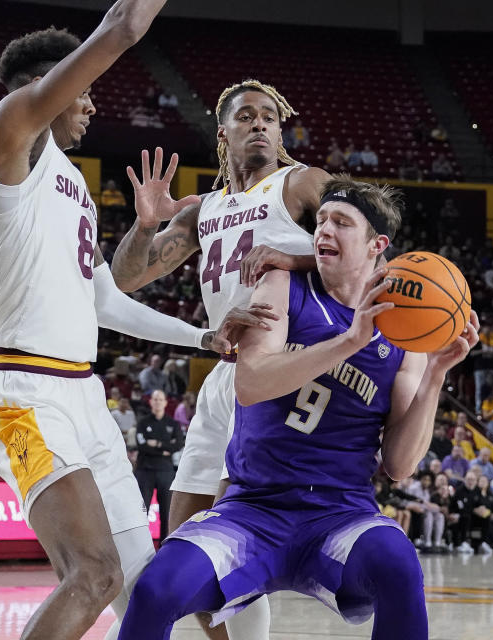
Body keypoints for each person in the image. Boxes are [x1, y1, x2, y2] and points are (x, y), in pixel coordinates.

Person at [0, 7, 267, 639]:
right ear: (51, 87)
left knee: (144, 583)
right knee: (93, 574)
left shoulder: (73, 180)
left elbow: (105, 301)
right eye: (85, 94)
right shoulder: (9, 141)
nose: (93, 106)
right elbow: (123, 28)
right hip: (22, 394)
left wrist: (200, 338)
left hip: (83, 395)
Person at [118, 177, 479, 640]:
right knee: (156, 589)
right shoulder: (281, 283)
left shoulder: (403, 335)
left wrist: (435, 377)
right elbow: (250, 384)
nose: (325, 230)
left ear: (377, 246)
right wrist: (349, 342)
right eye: (322, 220)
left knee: (399, 568)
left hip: (340, 512)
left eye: (342, 223)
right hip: (252, 507)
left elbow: (399, 465)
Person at [110, 79, 333, 637]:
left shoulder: (303, 182)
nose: (259, 123)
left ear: (280, 132)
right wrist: (144, 225)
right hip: (223, 377)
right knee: (183, 547)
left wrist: (291, 259)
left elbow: (368, 253)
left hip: (280, 371)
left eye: (269, 117)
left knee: (228, 543)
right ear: (223, 134)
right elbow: (125, 278)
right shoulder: (205, 209)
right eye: (246, 117)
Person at [133, 390, 183, 541]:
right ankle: (140, 545)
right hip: (145, 471)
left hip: (165, 471)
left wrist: (157, 444)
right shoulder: (143, 423)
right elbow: (142, 446)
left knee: (166, 512)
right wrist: (165, 448)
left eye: (160, 399)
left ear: (166, 402)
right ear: (150, 402)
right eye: (155, 399)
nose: (158, 402)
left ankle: (164, 545)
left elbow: (179, 444)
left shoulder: (172, 424)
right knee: (142, 511)